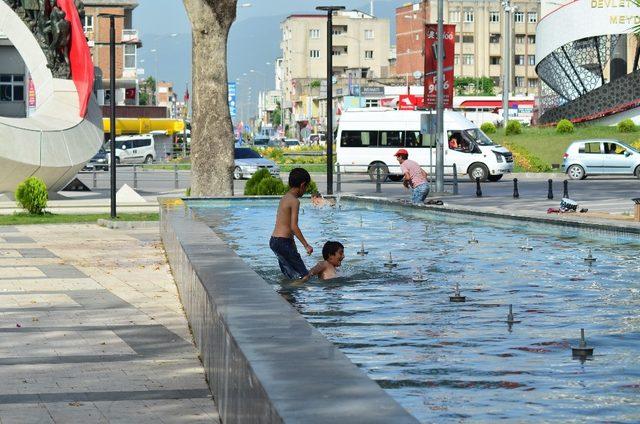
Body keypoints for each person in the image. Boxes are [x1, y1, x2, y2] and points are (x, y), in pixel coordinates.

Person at [269, 168, 313, 279]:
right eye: (306, 187)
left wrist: (292, 244)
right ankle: (291, 290)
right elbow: (293, 227)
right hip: (283, 242)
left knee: (291, 276)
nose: (306, 190)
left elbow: (284, 224)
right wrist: (306, 245)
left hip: (274, 241)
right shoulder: (294, 201)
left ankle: (286, 295)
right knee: (305, 276)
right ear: (302, 185)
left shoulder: (285, 197)